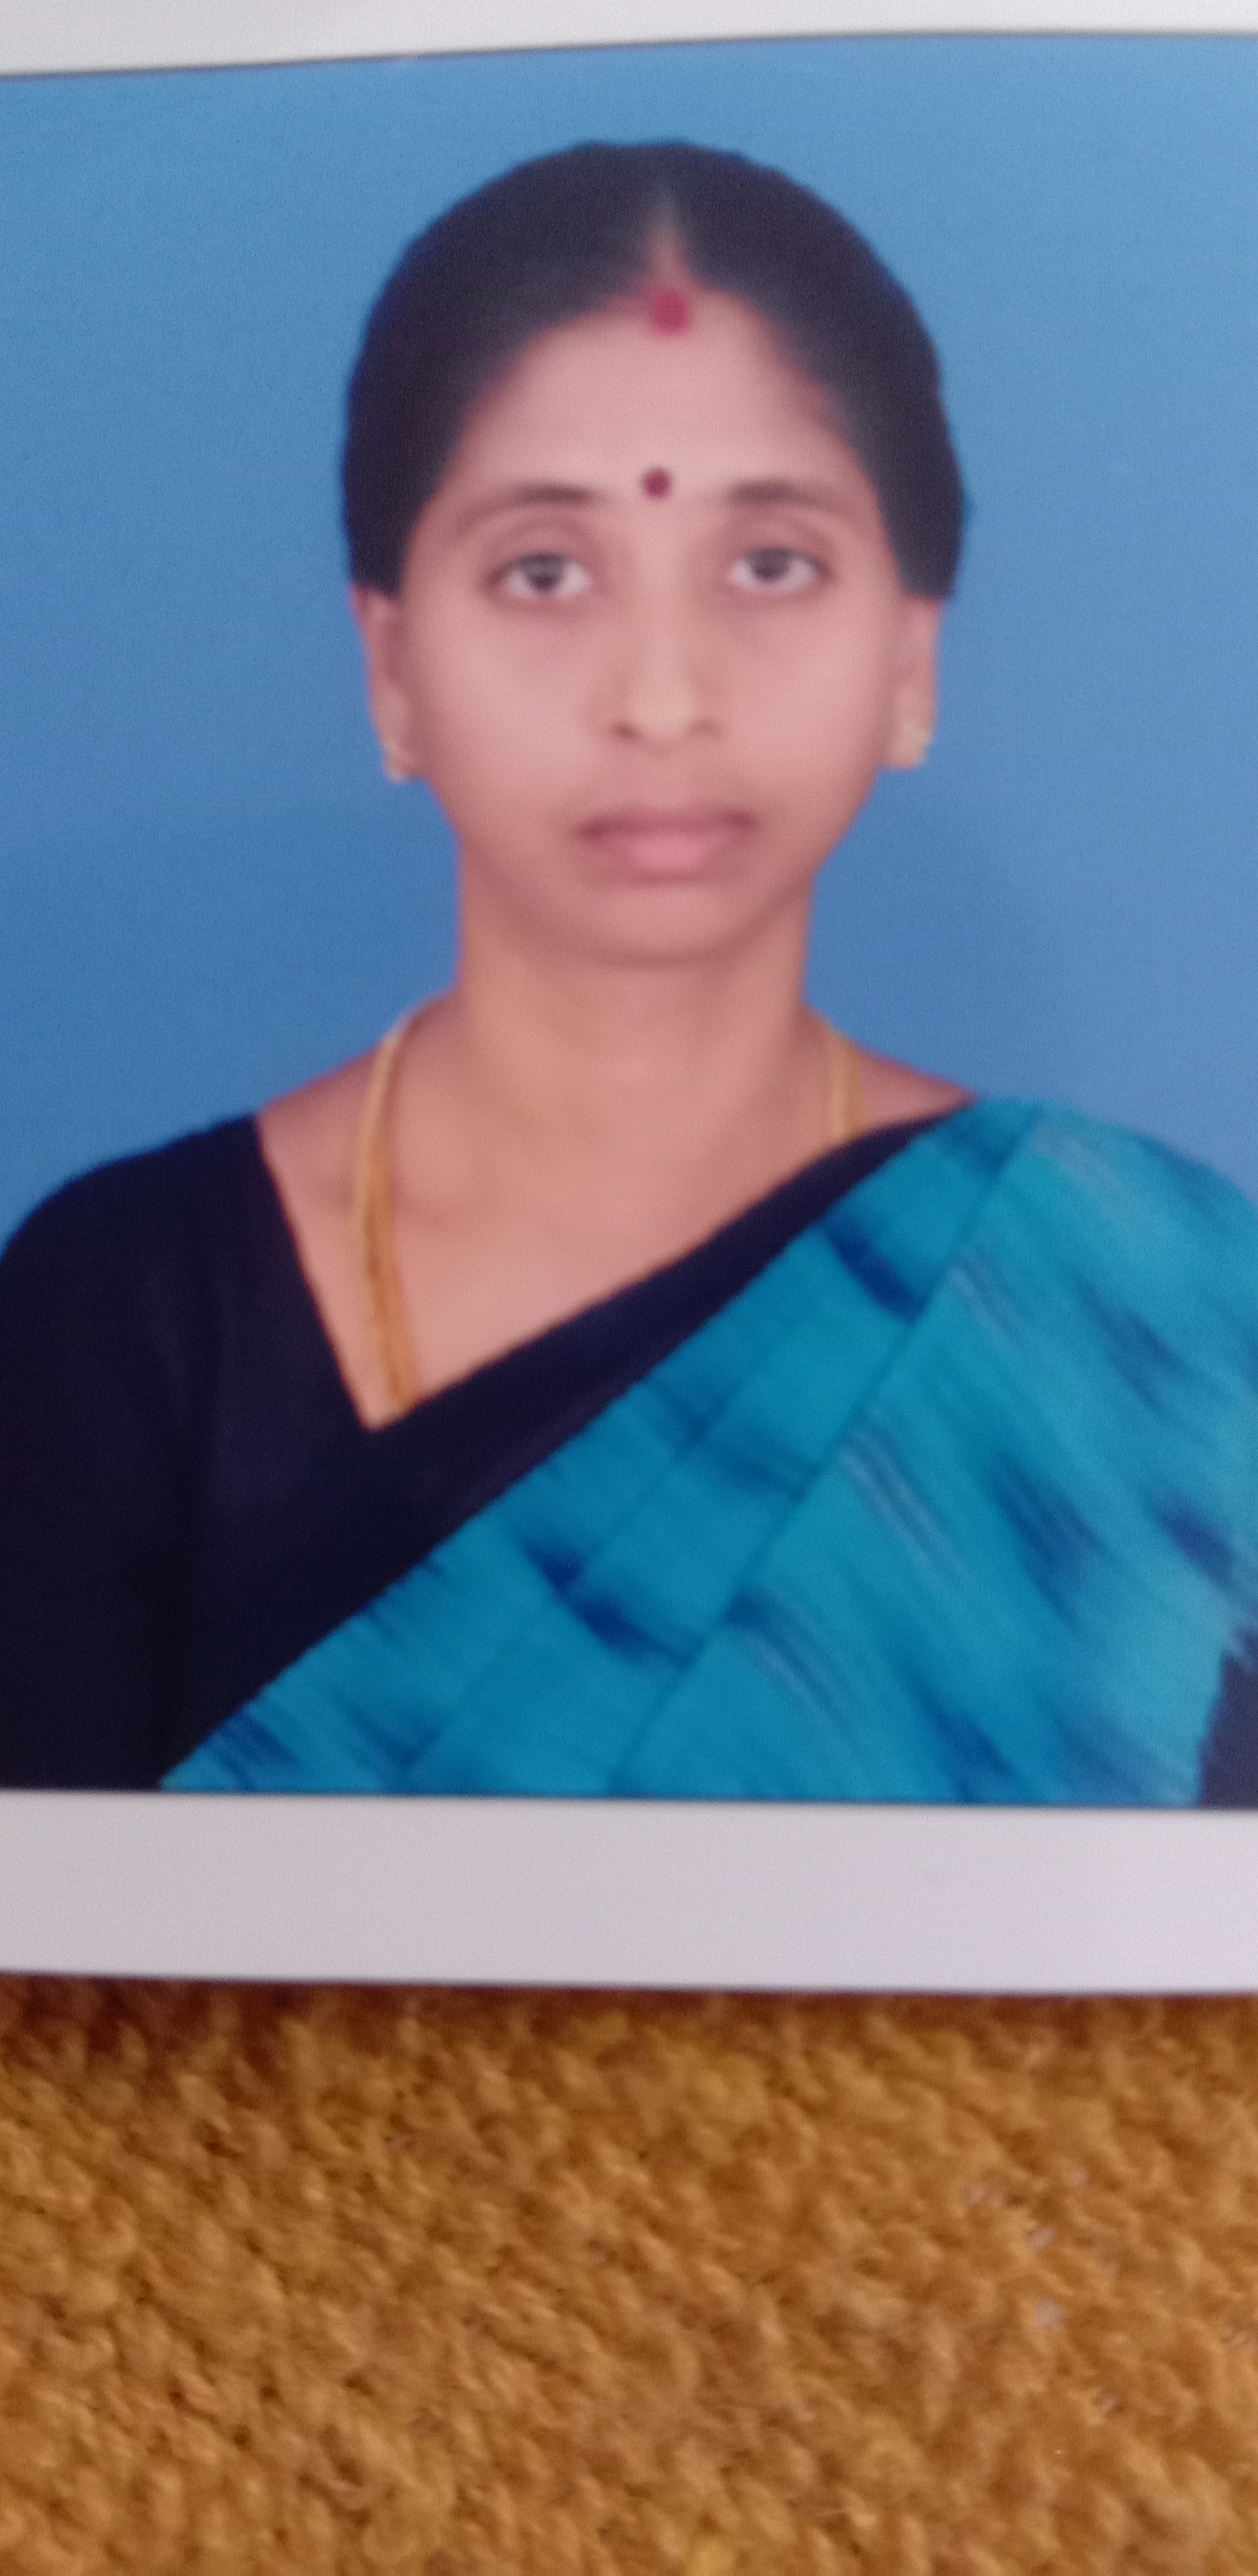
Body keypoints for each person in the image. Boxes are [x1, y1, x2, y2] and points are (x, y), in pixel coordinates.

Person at [1, 140, 1256, 1801]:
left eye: (770, 565)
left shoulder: (1133, 1310)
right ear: (392, 666)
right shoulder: (128, 1315)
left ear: (911, 657)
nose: (661, 697)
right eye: (546, 571)